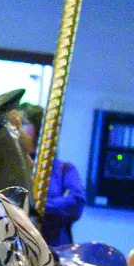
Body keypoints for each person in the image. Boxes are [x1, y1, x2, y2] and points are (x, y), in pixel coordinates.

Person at [20, 102, 85, 247]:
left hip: (54, 248)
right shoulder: (11, 167)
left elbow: (76, 203)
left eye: (24, 124)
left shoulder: (64, 170)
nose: (19, 130)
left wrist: (35, 205)